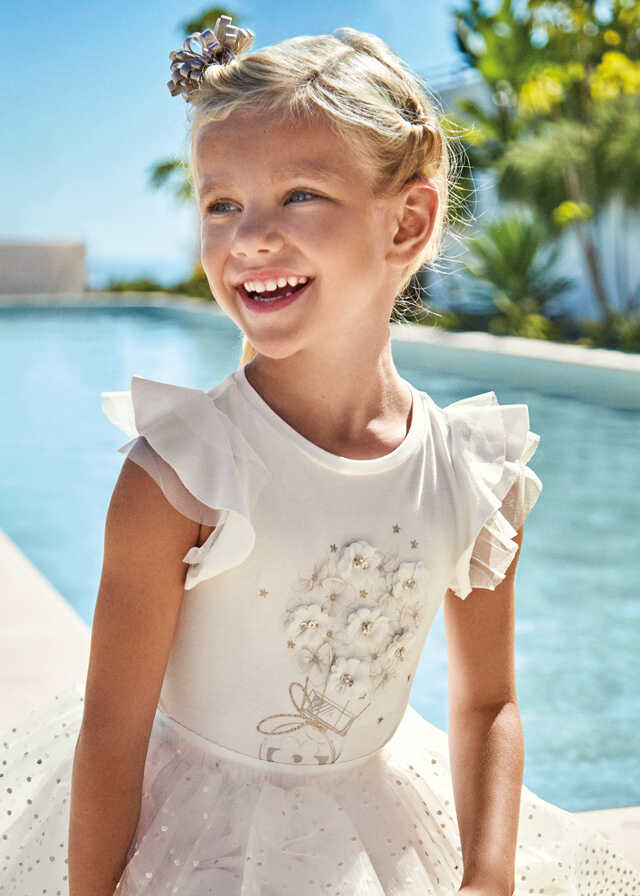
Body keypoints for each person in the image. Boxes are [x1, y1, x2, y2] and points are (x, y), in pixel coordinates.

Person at [1, 15, 638, 896]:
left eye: (299, 195)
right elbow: (113, 730)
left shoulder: (473, 478)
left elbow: (487, 704)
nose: (249, 237)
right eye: (221, 204)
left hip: (375, 845)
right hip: (191, 855)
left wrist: (488, 876)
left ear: (408, 221)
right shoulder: (182, 474)